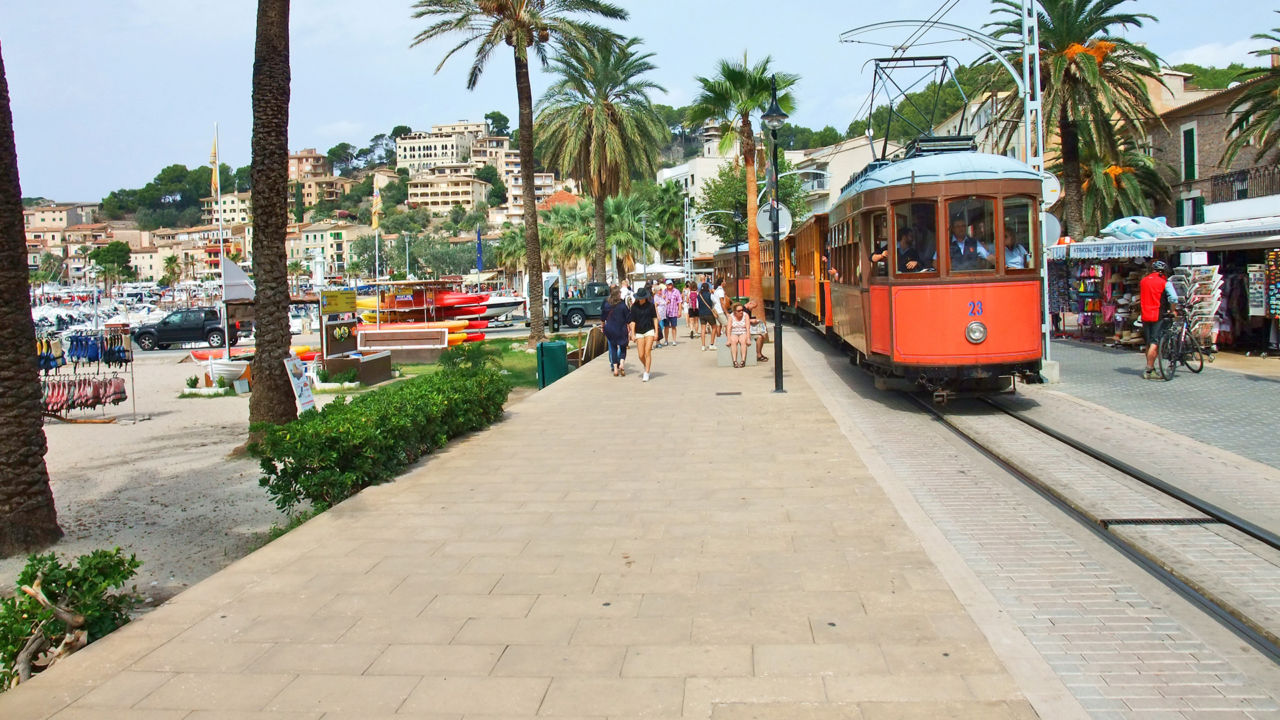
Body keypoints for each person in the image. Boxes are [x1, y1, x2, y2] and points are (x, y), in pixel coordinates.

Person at [1140, 259, 1178, 380]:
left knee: (1148, 342)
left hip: (1145, 315)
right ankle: (1149, 369)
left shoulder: (1143, 281)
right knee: (1155, 343)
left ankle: (1151, 368)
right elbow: (1174, 298)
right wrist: (1173, 311)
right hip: (1157, 314)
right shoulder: (1164, 282)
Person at [629, 286, 660, 382]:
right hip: (639, 331)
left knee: (647, 352)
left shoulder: (650, 306)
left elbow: (655, 318)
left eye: (642, 298)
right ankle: (646, 365)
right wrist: (632, 334)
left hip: (649, 330)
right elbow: (632, 321)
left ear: (645, 297)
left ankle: (646, 372)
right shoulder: (634, 307)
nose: (641, 300)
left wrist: (656, 332)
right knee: (640, 354)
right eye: (639, 298)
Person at [600, 286, 631, 377]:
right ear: (618, 294)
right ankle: (621, 363)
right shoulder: (622, 305)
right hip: (621, 329)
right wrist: (630, 330)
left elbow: (602, 318)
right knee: (623, 347)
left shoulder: (606, 304)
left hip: (610, 329)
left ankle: (615, 369)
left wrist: (602, 326)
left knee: (613, 348)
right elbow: (628, 318)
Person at [726, 303, 752, 368]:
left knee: (743, 341)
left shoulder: (746, 315)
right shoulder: (731, 316)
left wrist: (748, 338)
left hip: (743, 332)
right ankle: (734, 361)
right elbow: (728, 328)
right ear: (735, 312)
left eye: (742, 310)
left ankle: (743, 360)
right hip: (734, 332)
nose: (741, 312)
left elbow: (748, 327)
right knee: (733, 341)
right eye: (739, 311)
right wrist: (728, 339)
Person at [697, 280, 717, 351]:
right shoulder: (710, 295)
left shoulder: (699, 295)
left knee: (703, 329)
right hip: (709, 313)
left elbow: (697, 305)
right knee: (714, 327)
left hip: (701, 314)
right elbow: (715, 301)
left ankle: (703, 346)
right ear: (708, 288)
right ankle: (711, 344)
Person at [661, 279, 682, 347]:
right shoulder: (664, 291)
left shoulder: (676, 291)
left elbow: (679, 302)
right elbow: (660, 300)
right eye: (668, 284)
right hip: (666, 311)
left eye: (670, 284)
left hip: (674, 311)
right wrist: (662, 298)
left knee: (673, 326)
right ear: (666, 285)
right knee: (666, 327)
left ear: (672, 284)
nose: (669, 285)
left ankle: (674, 340)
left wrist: (679, 311)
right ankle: (666, 340)